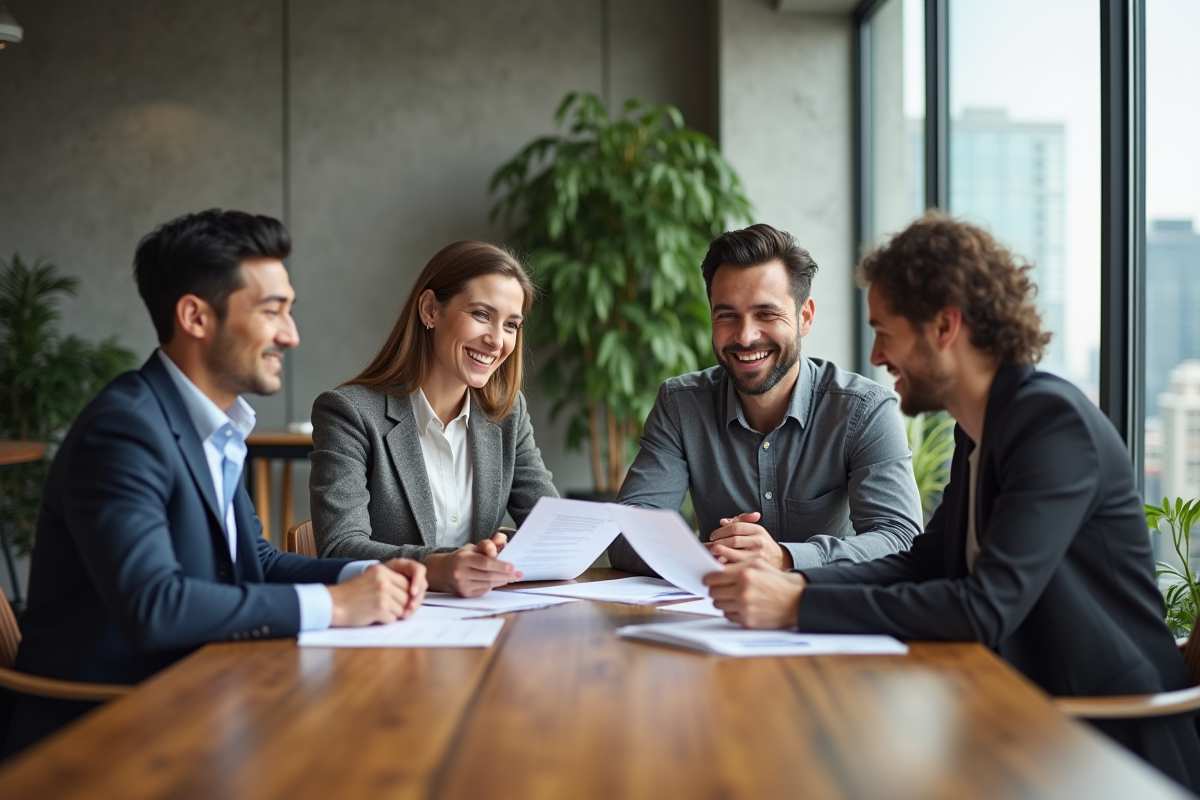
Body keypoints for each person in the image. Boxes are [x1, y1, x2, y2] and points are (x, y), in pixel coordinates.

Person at [704, 212, 1200, 790]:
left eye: (885, 331)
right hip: (1018, 717)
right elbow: (923, 561)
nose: (877, 354)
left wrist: (795, 606)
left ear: (944, 326)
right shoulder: (981, 429)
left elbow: (985, 607)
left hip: (1109, 741)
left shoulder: (1051, 424)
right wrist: (798, 584)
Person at [4, 210, 427, 755]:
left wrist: (370, 572)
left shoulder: (211, 425)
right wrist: (337, 605)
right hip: (105, 731)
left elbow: (258, 562)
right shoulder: (124, 430)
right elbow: (155, 605)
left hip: (202, 699)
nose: (291, 335)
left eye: (289, 311)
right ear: (195, 317)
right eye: (273, 311)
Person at [608, 223, 922, 574]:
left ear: (804, 317)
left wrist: (785, 558)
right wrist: (715, 555)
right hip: (713, 617)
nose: (745, 336)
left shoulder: (864, 410)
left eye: (766, 314)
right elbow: (624, 535)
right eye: (727, 315)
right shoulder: (680, 404)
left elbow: (900, 540)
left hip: (823, 615)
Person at [308, 241, 557, 597]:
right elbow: (341, 548)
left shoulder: (506, 413)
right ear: (429, 309)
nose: (497, 340)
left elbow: (552, 527)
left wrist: (503, 548)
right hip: (387, 626)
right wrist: (440, 565)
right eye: (482, 315)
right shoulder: (349, 413)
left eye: (511, 325)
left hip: (483, 620)